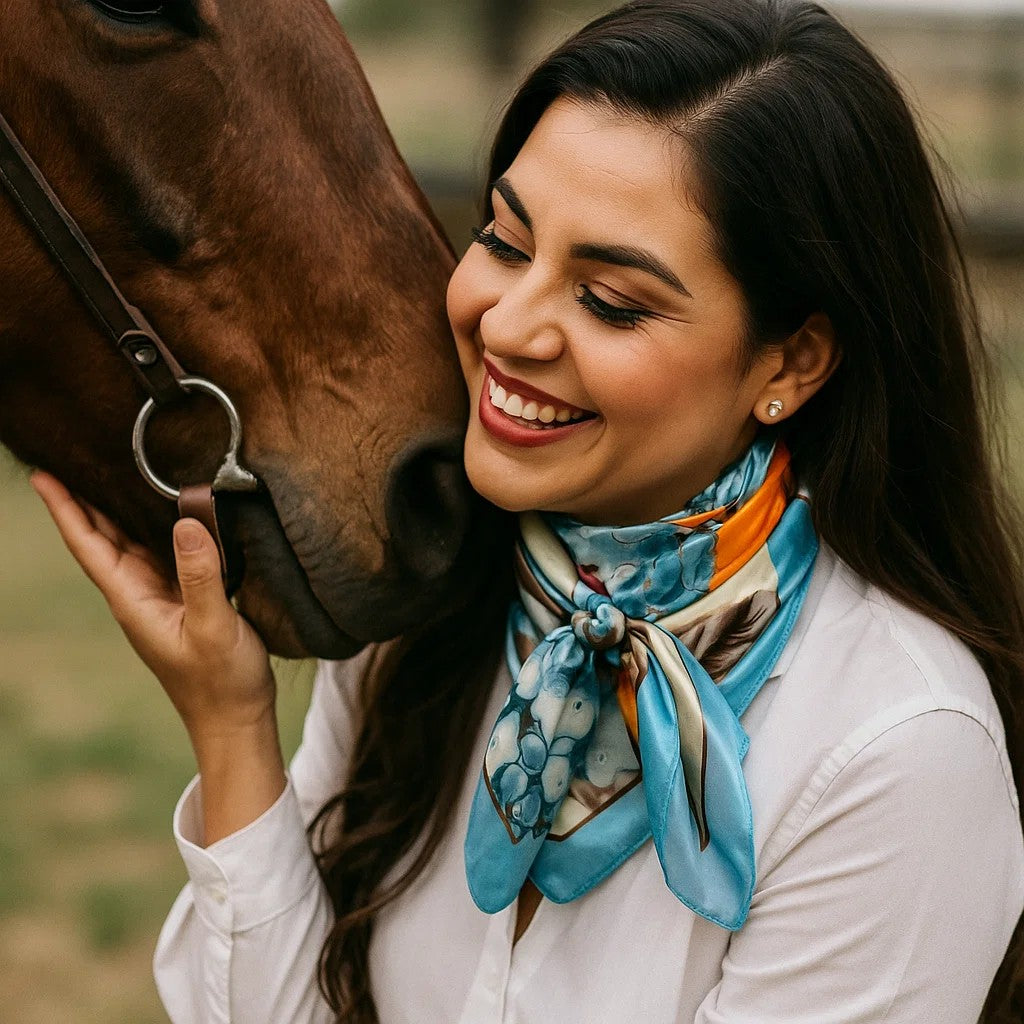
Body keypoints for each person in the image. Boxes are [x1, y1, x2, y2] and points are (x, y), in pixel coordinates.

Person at [30, 1, 1024, 1022]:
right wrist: (233, 727)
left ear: (791, 360)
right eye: (504, 242)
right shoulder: (428, 615)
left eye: (610, 301)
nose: (504, 323)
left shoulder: (892, 753)